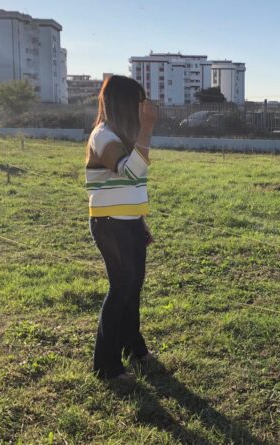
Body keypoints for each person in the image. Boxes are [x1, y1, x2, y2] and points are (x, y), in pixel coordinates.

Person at [85, 75, 157, 381]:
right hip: (110, 225)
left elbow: (131, 187)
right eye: (138, 102)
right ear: (124, 103)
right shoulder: (103, 137)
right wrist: (147, 130)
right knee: (121, 289)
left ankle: (134, 348)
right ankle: (106, 366)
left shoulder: (119, 135)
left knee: (132, 287)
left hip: (127, 223)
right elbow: (129, 173)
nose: (143, 109)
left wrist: (140, 222)